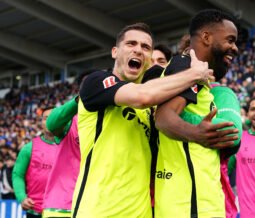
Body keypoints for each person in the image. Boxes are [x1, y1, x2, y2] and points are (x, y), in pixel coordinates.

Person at [71, 22, 234, 218]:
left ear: (149, 60)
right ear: (115, 51)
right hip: (98, 211)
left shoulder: (152, 109)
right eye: (131, 44)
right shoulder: (96, 83)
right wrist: (193, 74)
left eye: (145, 47)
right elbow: (142, 96)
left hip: (143, 213)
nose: (138, 50)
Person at [154, 9, 241, 218]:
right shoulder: (186, 65)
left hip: (203, 202)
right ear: (206, 37)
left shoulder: (199, 75)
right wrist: (196, 133)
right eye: (230, 40)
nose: (235, 48)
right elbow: (163, 118)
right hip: (188, 206)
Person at [42, 70, 94, 218]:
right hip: (62, 208)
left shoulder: (110, 120)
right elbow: (52, 124)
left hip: (92, 206)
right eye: (89, 85)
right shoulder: (70, 120)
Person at [12, 107, 57, 218]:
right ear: (41, 122)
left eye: (53, 117)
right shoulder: (29, 148)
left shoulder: (71, 148)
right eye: (45, 118)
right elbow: (18, 175)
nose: (49, 121)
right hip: (35, 211)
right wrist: (22, 197)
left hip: (61, 211)